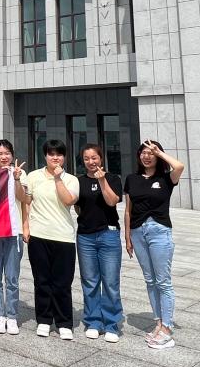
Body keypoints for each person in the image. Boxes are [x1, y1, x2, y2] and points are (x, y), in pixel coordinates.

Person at [14, 139, 79, 339]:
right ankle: (44, 319)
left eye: (59, 154)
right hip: (39, 235)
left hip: (63, 237)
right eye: (51, 154)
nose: (55, 157)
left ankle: (64, 322)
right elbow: (25, 200)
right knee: (42, 281)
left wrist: (58, 179)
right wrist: (16, 181)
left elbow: (68, 200)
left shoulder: (71, 179)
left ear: (64, 157)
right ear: (45, 156)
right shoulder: (34, 176)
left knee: (62, 282)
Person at [125, 139, 185, 350]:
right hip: (137, 232)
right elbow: (128, 210)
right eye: (144, 152)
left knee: (163, 281)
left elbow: (179, 166)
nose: (147, 156)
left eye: (151, 153)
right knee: (150, 281)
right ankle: (158, 322)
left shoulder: (166, 178)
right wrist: (128, 237)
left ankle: (167, 328)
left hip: (159, 232)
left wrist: (159, 153)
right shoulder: (132, 179)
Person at [75, 143, 123, 343]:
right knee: (90, 281)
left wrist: (102, 180)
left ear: (101, 158)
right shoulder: (79, 181)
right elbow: (78, 207)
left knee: (110, 282)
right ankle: (93, 321)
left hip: (108, 234)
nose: (91, 161)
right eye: (86, 158)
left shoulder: (113, 178)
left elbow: (112, 201)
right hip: (85, 236)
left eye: (94, 157)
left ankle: (111, 324)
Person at [0, 139, 28, 335]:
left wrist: (17, 178)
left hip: (13, 231)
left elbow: (23, 198)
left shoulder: (19, 173)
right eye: (0, 153)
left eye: (7, 153)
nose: (4, 157)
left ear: (12, 155)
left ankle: (11, 316)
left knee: (12, 277)